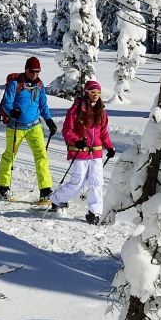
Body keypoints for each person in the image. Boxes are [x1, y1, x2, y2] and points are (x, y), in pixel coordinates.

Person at [46, 79, 116, 223]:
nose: (95, 95)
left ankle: (94, 213)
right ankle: (57, 199)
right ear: (86, 92)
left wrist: (109, 147)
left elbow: (103, 133)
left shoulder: (101, 111)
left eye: (98, 92)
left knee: (97, 183)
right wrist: (76, 140)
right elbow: (67, 130)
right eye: (92, 92)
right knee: (77, 182)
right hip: (80, 152)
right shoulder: (77, 108)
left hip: (96, 153)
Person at [0, 56, 56, 201]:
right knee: (10, 156)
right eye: (32, 71)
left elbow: (43, 105)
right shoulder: (15, 84)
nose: (35, 74)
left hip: (34, 126)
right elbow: (6, 102)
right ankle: (3, 187)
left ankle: (45, 190)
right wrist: (11, 111)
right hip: (16, 126)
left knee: (42, 156)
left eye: (38, 71)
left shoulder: (39, 85)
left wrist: (48, 120)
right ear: (26, 69)